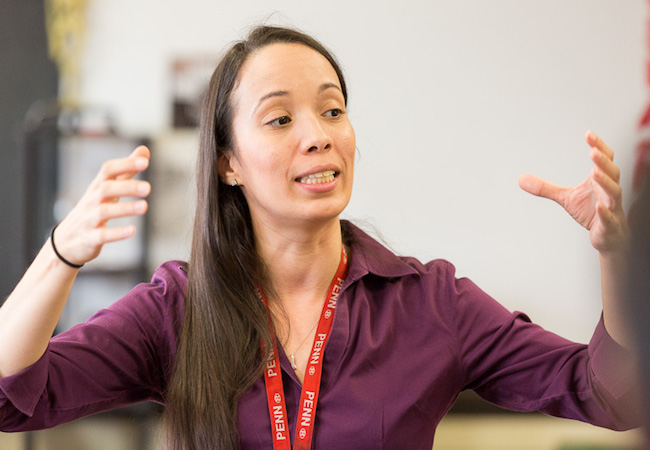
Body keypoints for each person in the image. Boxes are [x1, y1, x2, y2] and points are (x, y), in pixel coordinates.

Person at [0, 25, 641, 449]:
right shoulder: (178, 310)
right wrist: (60, 254)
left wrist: (615, 258)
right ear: (228, 163)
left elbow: (612, 395)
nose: (319, 134)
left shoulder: (431, 304)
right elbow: (11, 402)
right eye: (280, 118)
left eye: (332, 109)